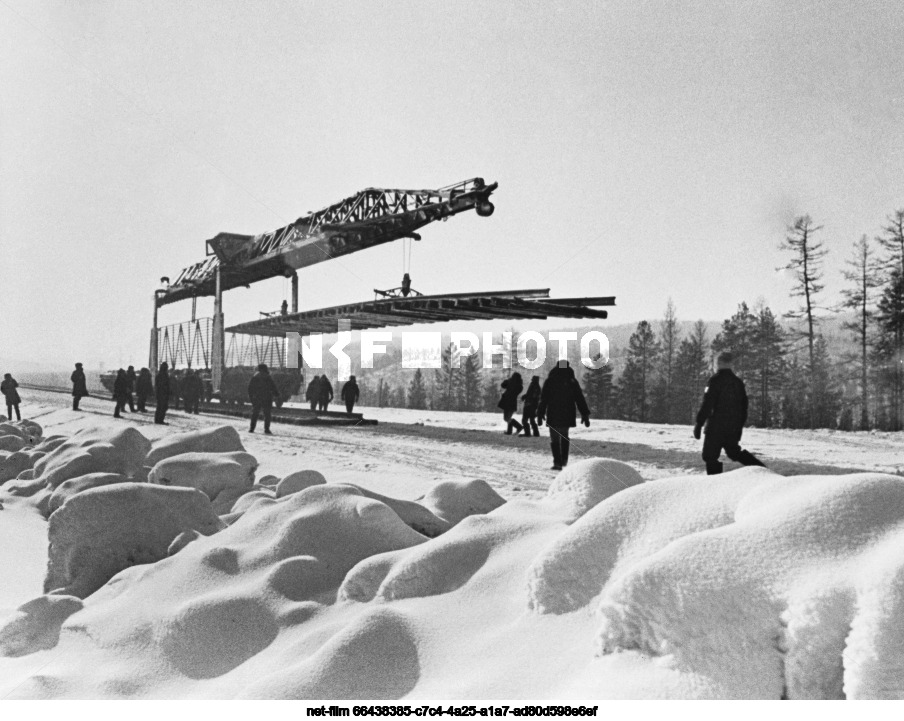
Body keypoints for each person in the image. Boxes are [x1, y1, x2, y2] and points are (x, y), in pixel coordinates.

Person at [693, 351, 766, 475]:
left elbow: (708, 403)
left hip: (716, 426)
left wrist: (699, 423)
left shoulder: (715, 380)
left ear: (719, 363)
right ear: (731, 364)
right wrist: (738, 427)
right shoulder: (738, 382)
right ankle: (762, 469)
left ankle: (715, 483)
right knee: (734, 452)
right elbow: (744, 407)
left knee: (710, 456)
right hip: (733, 426)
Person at [537, 361, 590, 471]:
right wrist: (585, 414)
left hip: (553, 412)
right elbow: (579, 398)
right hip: (567, 412)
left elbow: (544, 399)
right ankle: (564, 459)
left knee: (554, 438)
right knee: (564, 435)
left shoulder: (550, 381)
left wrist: (540, 413)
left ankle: (557, 462)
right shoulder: (571, 381)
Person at [247, 363, 280, 434]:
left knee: (255, 413)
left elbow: (250, 388)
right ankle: (266, 429)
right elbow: (273, 387)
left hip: (257, 398)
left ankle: (252, 428)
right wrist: (277, 395)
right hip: (267, 398)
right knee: (267, 414)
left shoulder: (255, 376)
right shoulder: (268, 377)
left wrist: (251, 398)